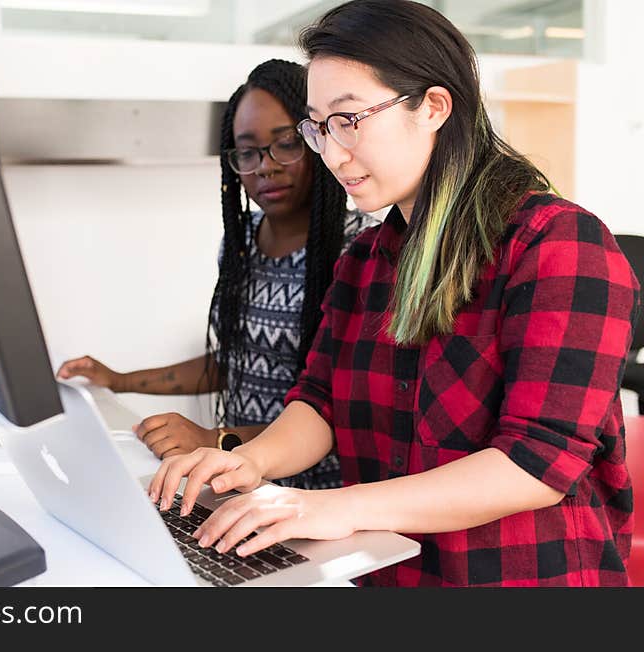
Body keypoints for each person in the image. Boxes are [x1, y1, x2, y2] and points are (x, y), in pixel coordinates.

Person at [147, 0, 641, 587]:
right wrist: (247, 461)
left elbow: (535, 464)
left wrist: (329, 506)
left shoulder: (558, 242)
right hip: (389, 574)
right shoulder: (364, 260)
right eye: (320, 125)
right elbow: (320, 401)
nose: (332, 152)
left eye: (349, 118)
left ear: (433, 107)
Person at [57, 59, 375, 490]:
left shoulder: (360, 250)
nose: (265, 166)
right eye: (247, 152)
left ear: (317, 139)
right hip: (243, 484)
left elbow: (341, 414)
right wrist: (119, 380)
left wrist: (216, 441)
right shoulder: (241, 242)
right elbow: (233, 361)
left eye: (285, 144)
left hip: (319, 498)